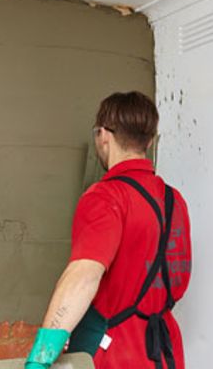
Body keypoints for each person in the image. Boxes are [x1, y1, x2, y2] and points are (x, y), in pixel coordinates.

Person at [25, 91, 192, 369]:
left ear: (103, 135)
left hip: (114, 354)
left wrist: (40, 358)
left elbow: (83, 277)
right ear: (149, 141)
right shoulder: (175, 201)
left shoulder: (107, 197)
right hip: (165, 352)